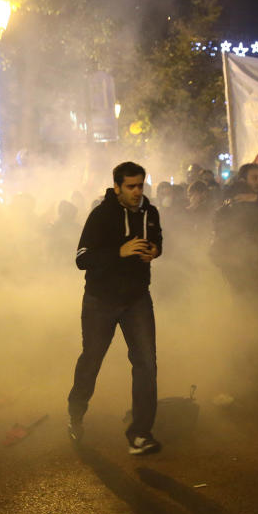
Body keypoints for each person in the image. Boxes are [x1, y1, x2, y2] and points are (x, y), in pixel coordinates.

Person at [67, 162, 164, 455]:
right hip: (101, 300)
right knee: (92, 358)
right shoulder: (101, 214)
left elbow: (158, 239)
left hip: (137, 298)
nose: (137, 192)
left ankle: (140, 434)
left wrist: (154, 251)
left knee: (146, 363)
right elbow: (82, 257)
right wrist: (119, 252)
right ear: (117, 187)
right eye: (131, 187)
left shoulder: (151, 212)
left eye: (140, 185)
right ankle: (76, 413)